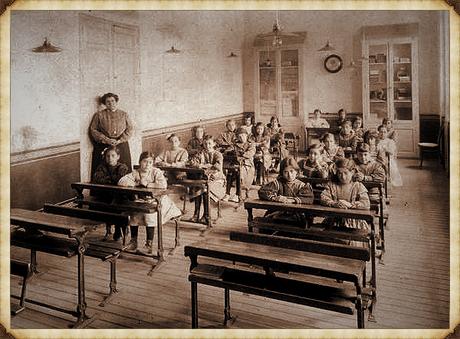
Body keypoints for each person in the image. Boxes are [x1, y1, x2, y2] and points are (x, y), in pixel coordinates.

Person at [118, 152, 182, 253]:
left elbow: (163, 185)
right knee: (134, 213)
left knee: (150, 216)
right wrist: (136, 182)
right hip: (142, 201)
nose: (147, 164)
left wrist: (147, 183)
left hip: (159, 201)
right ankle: (133, 241)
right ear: (140, 162)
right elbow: (121, 181)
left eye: (150, 162)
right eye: (145, 161)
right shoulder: (136, 172)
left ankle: (149, 243)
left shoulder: (156, 172)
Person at [258, 157, 314, 227]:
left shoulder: (302, 185)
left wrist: (292, 200)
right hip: (278, 212)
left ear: (296, 171)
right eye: (286, 172)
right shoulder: (277, 183)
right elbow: (262, 191)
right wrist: (275, 198)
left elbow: (308, 198)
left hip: (296, 214)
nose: (289, 175)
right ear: (282, 173)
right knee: (269, 222)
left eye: (291, 171)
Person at [89, 92, 134, 180]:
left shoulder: (124, 114)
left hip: (121, 144)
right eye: (108, 102)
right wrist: (106, 140)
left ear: (116, 102)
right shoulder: (99, 115)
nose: (111, 103)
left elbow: (130, 129)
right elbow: (93, 130)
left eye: (113, 101)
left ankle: (125, 192)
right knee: (103, 167)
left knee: (124, 168)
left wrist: (120, 140)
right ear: (105, 104)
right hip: (104, 144)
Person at [320, 158, 370, 232]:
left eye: (346, 173)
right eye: (339, 173)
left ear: (352, 172)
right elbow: (323, 197)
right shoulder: (332, 185)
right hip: (335, 219)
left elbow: (366, 204)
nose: (342, 177)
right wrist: (334, 203)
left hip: (354, 221)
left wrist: (350, 205)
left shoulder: (358, 186)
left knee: (353, 239)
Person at [92, 145, 130, 241]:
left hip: (121, 195)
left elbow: (119, 180)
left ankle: (118, 229)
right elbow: (97, 178)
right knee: (105, 204)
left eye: (113, 156)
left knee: (116, 204)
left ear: (118, 157)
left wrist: (107, 179)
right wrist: (112, 179)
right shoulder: (102, 167)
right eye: (108, 156)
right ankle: (108, 230)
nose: (110, 158)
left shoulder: (122, 167)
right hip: (106, 194)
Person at [189, 135, 226, 223]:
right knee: (198, 187)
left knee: (205, 190)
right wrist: (202, 165)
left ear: (214, 144)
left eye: (209, 143)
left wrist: (204, 167)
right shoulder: (201, 153)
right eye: (205, 143)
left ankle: (206, 215)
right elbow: (192, 162)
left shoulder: (218, 154)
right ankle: (196, 214)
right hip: (204, 179)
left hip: (216, 179)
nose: (207, 145)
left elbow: (217, 167)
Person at [233, 127, 256, 201]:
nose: (241, 138)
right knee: (237, 173)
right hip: (239, 163)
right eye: (239, 136)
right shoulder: (236, 144)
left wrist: (242, 155)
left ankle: (246, 191)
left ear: (246, 135)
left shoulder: (251, 144)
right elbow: (235, 154)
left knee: (248, 175)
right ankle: (238, 193)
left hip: (249, 164)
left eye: (243, 135)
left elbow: (250, 153)